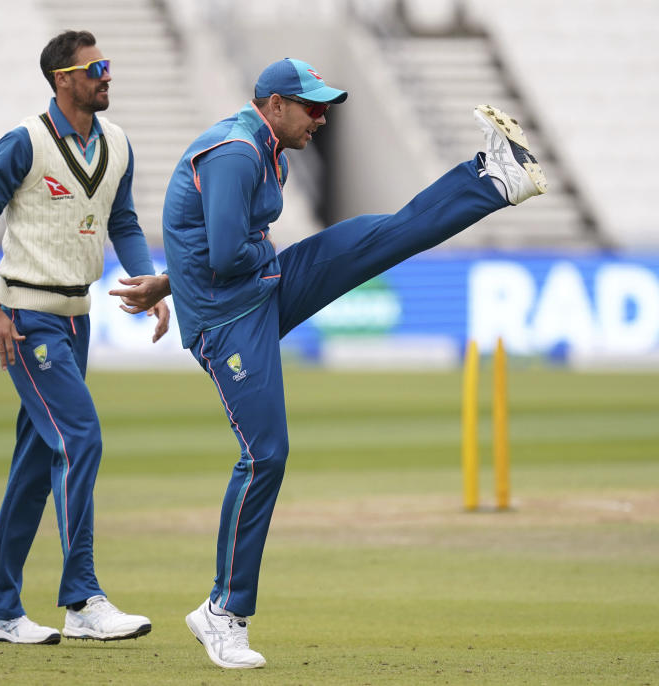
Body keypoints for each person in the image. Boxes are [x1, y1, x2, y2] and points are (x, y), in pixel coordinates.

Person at [109, 58, 547, 668]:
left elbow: (207, 244)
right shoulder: (237, 154)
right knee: (266, 455)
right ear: (273, 104)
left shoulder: (269, 152)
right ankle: (221, 613)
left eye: (324, 106)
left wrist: (164, 282)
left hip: (261, 286)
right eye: (311, 105)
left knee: (379, 236)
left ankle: (494, 178)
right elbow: (229, 250)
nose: (321, 117)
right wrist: (176, 284)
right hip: (227, 321)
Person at [0, 30, 169, 645]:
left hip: (76, 320)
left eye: (108, 65)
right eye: (95, 67)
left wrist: (148, 281)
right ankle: (82, 597)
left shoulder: (119, 143)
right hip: (27, 319)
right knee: (80, 439)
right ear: (63, 78)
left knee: (35, 463)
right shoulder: (26, 140)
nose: (107, 75)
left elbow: (123, 220)